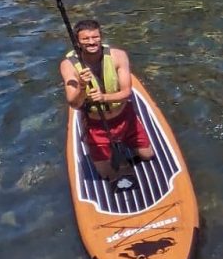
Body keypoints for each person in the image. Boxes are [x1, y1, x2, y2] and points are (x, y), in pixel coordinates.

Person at [58, 19, 154, 186]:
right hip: (96, 124)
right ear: (77, 42)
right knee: (106, 174)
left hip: (124, 117)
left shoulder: (118, 55)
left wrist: (104, 98)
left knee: (148, 155)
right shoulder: (68, 65)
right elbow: (73, 103)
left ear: (101, 36)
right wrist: (81, 86)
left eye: (95, 37)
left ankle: (121, 146)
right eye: (85, 39)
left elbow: (126, 93)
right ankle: (96, 146)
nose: (91, 42)